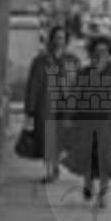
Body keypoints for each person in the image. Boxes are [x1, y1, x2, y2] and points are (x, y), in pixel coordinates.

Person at [65, 31, 111, 206]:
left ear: (109, 53)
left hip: (107, 121)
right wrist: (69, 117)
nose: (100, 55)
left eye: (104, 52)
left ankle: (103, 194)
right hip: (85, 120)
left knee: (105, 157)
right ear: (91, 54)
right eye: (96, 52)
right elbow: (74, 96)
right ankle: (88, 184)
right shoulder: (84, 73)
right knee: (87, 154)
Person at [25, 23, 75, 182]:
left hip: (65, 105)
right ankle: (50, 170)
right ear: (51, 39)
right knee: (47, 137)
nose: (59, 41)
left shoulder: (72, 60)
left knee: (60, 138)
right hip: (46, 103)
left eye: (62, 38)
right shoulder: (41, 60)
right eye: (56, 38)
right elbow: (33, 83)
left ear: (66, 40)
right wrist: (30, 107)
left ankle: (55, 165)